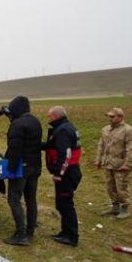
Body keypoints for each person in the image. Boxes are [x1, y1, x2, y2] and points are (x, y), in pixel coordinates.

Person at [2, 96, 42, 246]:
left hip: (21, 167)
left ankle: (21, 235)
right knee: (31, 199)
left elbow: (15, 150)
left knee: (14, 199)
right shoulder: (35, 121)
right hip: (35, 166)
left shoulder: (17, 125)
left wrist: (10, 170)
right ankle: (30, 232)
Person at [45, 106, 82, 247]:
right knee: (61, 204)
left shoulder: (63, 131)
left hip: (67, 173)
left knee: (66, 205)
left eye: (50, 117)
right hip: (71, 171)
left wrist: (59, 173)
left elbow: (66, 154)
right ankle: (65, 232)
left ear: (55, 116)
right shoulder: (68, 127)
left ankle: (72, 237)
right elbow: (53, 146)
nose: (49, 119)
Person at [96, 108, 132, 219]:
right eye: (109, 116)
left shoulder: (129, 130)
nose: (110, 119)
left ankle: (125, 209)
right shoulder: (105, 130)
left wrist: (128, 164)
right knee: (110, 186)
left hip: (121, 164)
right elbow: (101, 145)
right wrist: (99, 160)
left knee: (122, 187)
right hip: (108, 162)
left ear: (120, 117)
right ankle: (115, 207)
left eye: (112, 116)